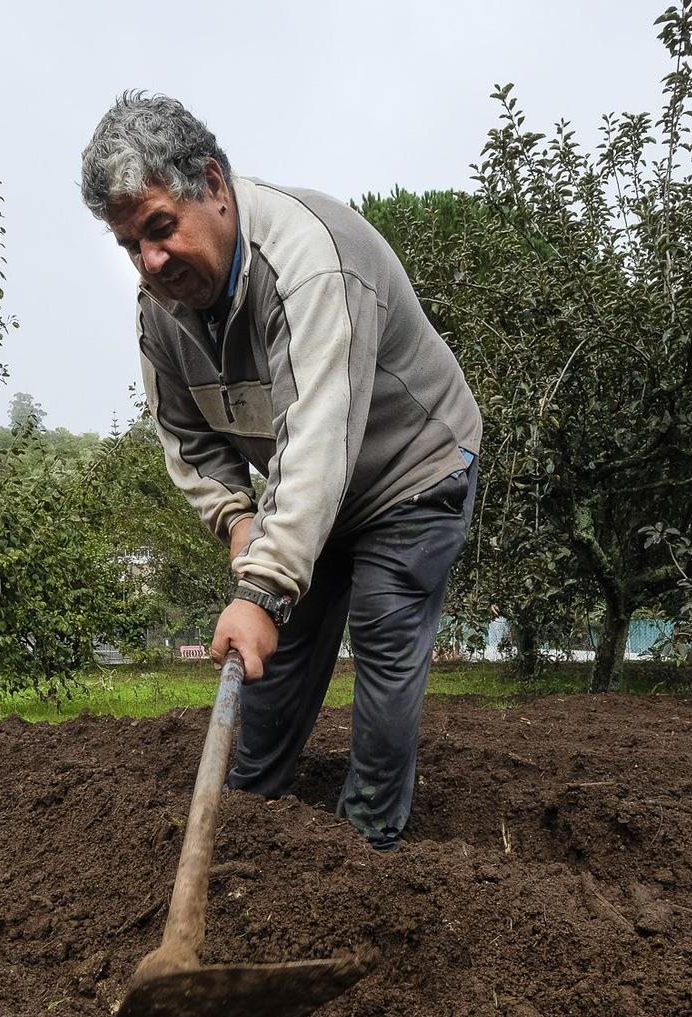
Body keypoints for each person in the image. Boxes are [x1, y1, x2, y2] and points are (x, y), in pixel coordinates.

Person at [80, 92, 481, 850]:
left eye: (162, 228)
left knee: (383, 631)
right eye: (132, 244)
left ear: (216, 187)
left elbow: (319, 434)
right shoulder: (159, 312)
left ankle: (367, 846)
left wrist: (261, 587)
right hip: (314, 488)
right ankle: (245, 820)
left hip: (412, 470)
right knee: (276, 654)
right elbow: (187, 437)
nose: (152, 262)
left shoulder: (308, 262)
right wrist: (237, 521)